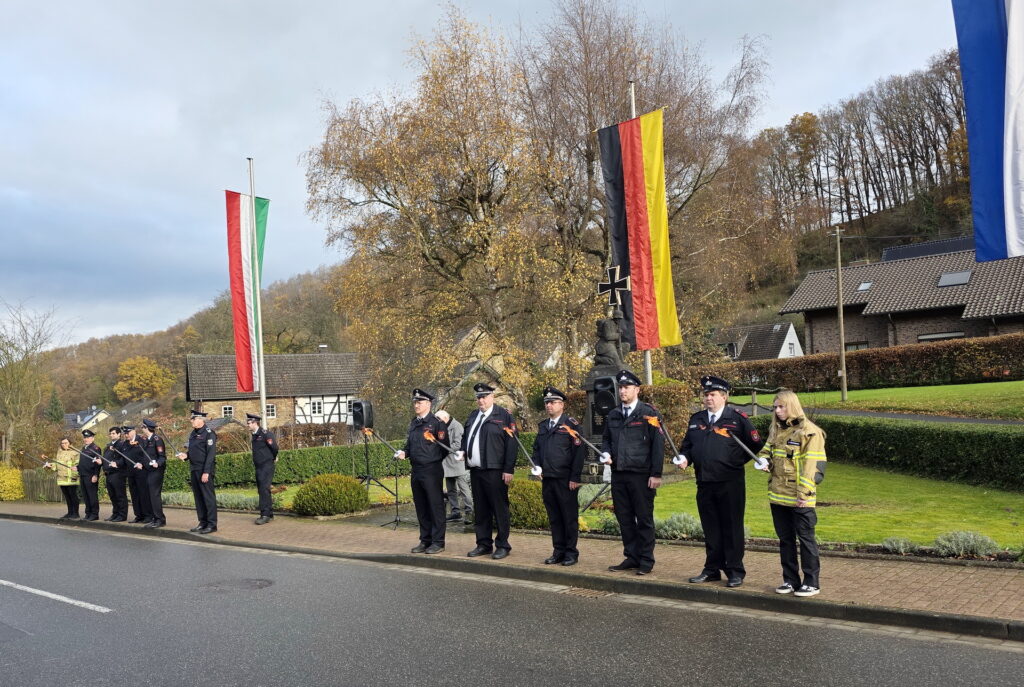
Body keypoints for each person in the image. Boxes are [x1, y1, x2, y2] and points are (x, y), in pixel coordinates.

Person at [678, 375, 764, 588]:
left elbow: (754, 444)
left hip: (730, 482)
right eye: (706, 395)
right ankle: (712, 569)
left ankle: (735, 570)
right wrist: (685, 458)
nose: (708, 398)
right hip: (704, 481)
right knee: (711, 528)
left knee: (732, 527)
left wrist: (736, 461)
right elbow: (687, 445)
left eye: (713, 395)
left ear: (724, 397)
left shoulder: (736, 418)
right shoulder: (696, 419)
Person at [756, 389, 827, 598]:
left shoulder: (810, 432)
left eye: (781, 406)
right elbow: (766, 451)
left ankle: (811, 582)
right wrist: (763, 461)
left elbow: (811, 467)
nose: (777, 411)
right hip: (778, 496)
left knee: (806, 539)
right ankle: (790, 580)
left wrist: (804, 494)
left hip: (800, 498)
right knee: (785, 540)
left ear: (792, 406)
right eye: (775, 407)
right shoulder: (776, 430)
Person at [600, 370, 664, 576]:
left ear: (637, 389)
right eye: (620, 388)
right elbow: (606, 439)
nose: (622, 391)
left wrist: (656, 473)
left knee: (643, 518)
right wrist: (607, 452)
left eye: (626, 387)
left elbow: (658, 445)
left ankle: (646, 559)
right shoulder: (613, 414)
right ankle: (632, 556)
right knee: (624, 517)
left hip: (641, 474)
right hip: (619, 473)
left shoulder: (649, 413)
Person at [457, 382, 517, 559]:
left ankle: (503, 544)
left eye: (484, 397)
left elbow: (512, 444)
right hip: (477, 470)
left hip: (495, 470)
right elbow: (466, 437)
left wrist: (508, 468)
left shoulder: (504, 416)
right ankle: (483, 543)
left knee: (499, 509)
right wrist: (463, 450)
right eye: (478, 397)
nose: (480, 400)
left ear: (492, 397)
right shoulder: (474, 415)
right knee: (481, 509)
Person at [531, 386, 585, 566]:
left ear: (561, 404)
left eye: (553, 402)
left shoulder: (571, 425)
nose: (549, 406)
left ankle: (571, 553)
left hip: (565, 479)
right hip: (548, 479)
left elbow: (578, 453)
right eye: (547, 403)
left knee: (568, 517)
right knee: (554, 517)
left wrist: (575, 478)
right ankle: (558, 551)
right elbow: (537, 450)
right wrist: (536, 465)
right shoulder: (543, 426)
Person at [395, 389, 447, 554]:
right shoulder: (414, 423)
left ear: (429, 404)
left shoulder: (436, 423)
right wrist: (405, 452)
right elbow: (410, 445)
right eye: (415, 402)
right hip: (416, 469)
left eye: (420, 402)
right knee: (422, 507)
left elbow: (445, 448)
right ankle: (425, 540)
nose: (416, 405)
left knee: (435, 506)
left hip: (431, 470)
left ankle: (438, 541)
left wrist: (431, 458)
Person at [176, 409, 218, 534]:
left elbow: (210, 455)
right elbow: (194, 451)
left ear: (200, 420)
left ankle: (211, 524)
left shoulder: (209, 433)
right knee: (199, 498)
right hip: (194, 469)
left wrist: (206, 472)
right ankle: (203, 522)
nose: (191, 421)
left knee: (208, 498)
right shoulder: (193, 434)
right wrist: (186, 455)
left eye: (193, 419)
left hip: (204, 470)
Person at [434, 409, 472, 524]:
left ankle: (470, 512)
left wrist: (442, 447)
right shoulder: (442, 427)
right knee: (451, 490)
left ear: (445, 418)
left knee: (464, 489)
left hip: (456, 462)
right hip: (447, 463)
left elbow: (458, 444)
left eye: (439, 419)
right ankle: (456, 512)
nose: (437, 422)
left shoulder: (457, 426)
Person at [246, 412, 279, 525]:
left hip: (266, 465)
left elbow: (274, 447)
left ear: (255, 423)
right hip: (259, 466)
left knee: (263, 489)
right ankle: (269, 513)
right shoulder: (254, 435)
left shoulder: (265, 434)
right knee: (263, 489)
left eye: (249, 423)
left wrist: (273, 458)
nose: (247, 425)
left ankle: (264, 515)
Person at [122, 425, 153, 524]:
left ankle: (148, 515)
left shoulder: (142, 440)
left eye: (128, 433)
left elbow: (147, 455)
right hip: (131, 473)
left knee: (143, 494)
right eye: (125, 433)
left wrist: (142, 464)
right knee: (134, 495)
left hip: (142, 472)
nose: (126, 435)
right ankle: (138, 515)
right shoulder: (125, 444)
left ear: (134, 431)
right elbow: (124, 458)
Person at [140, 419, 167, 528]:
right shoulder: (146, 440)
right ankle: (155, 518)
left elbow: (162, 457)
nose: (142, 429)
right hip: (148, 471)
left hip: (156, 471)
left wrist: (158, 463)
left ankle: (160, 519)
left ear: (147, 428)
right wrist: (141, 464)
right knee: (150, 495)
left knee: (154, 495)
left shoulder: (157, 440)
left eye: (142, 427)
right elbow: (145, 457)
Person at [44, 438, 81, 519]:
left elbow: (77, 466)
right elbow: (58, 464)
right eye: (62, 443)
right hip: (61, 479)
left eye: (65, 443)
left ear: (70, 443)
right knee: (67, 497)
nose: (64, 444)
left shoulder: (75, 452)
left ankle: (76, 513)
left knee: (73, 496)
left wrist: (74, 476)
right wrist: (51, 465)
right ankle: (70, 513)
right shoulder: (59, 452)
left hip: (71, 478)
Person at [102, 426, 129, 522]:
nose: (111, 435)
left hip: (118, 473)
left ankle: (122, 515)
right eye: (110, 433)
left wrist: (117, 463)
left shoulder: (122, 445)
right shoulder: (108, 446)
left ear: (119, 434)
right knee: (112, 495)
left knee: (120, 495)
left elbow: (125, 458)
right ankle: (115, 513)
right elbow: (105, 457)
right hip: (108, 473)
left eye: (113, 433)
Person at [78, 429, 104, 521]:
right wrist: (77, 468)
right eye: (84, 437)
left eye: (88, 437)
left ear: (92, 438)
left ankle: (94, 514)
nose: (86, 439)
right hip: (83, 475)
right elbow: (83, 462)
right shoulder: (84, 448)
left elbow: (98, 464)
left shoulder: (96, 448)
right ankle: (88, 513)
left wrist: (96, 475)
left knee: (92, 496)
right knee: (85, 496)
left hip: (91, 475)